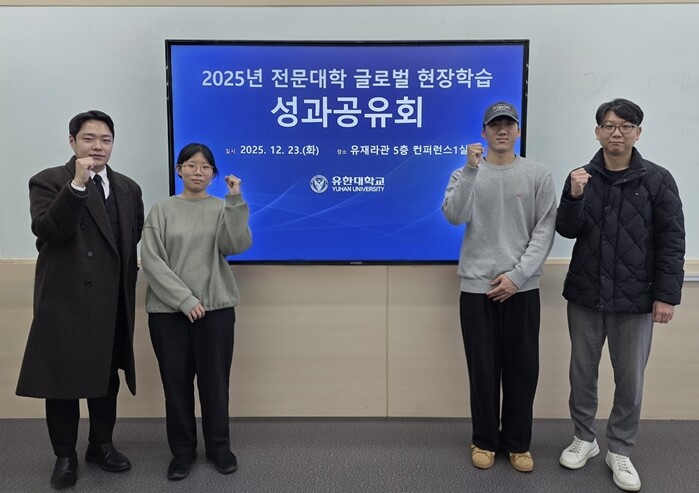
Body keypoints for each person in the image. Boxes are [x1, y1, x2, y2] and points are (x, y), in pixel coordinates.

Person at [556, 98, 685, 492]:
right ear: (598, 131)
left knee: (630, 380)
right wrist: (574, 196)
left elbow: (672, 241)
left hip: (636, 299)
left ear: (637, 133)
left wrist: (666, 296)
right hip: (586, 294)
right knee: (582, 373)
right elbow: (567, 230)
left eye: (626, 127)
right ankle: (584, 438)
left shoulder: (658, 180)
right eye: (610, 126)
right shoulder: (580, 177)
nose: (617, 133)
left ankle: (621, 449)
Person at [16, 110, 144, 489]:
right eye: (88, 138)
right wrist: (76, 185)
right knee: (63, 382)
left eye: (105, 139)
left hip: (112, 300)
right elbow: (48, 229)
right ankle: (65, 456)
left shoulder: (128, 188)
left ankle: (101, 445)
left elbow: (131, 236)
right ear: (72, 142)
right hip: (66, 300)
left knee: (107, 378)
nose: (97, 146)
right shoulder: (49, 180)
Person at [442, 101, 557, 473]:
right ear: (484, 131)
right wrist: (470, 171)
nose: (502, 130)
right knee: (483, 372)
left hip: (522, 289)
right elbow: (454, 215)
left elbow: (544, 231)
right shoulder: (465, 173)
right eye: (495, 125)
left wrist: (517, 276)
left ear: (518, 131)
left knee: (523, 371)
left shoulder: (538, 175)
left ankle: (518, 444)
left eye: (508, 124)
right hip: (477, 289)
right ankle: (485, 441)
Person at [141, 143, 252, 480]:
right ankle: (182, 452)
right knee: (176, 385)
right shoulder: (162, 209)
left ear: (214, 174)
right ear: (179, 170)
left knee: (215, 383)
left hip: (216, 309)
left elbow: (236, 245)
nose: (198, 172)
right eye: (191, 165)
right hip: (168, 312)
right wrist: (185, 300)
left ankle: (219, 447)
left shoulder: (222, 207)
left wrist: (235, 199)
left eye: (205, 167)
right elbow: (151, 261)